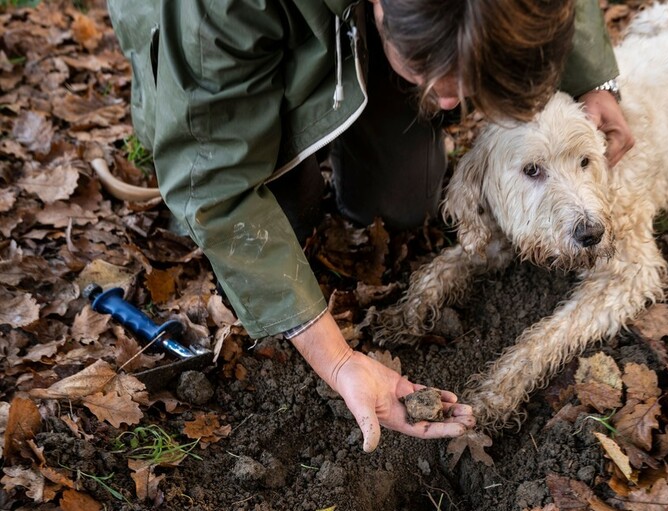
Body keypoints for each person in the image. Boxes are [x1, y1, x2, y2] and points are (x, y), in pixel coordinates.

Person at [107, 0, 633, 453]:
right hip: (222, 49)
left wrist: (592, 79)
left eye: (467, 83)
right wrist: (336, 361)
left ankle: (373, 96)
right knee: (281, 216)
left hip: (373, 33)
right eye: (435, 74)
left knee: (401, 202)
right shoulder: (222, 11)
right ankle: (298, 134)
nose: (451, 102)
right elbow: (214, 183)